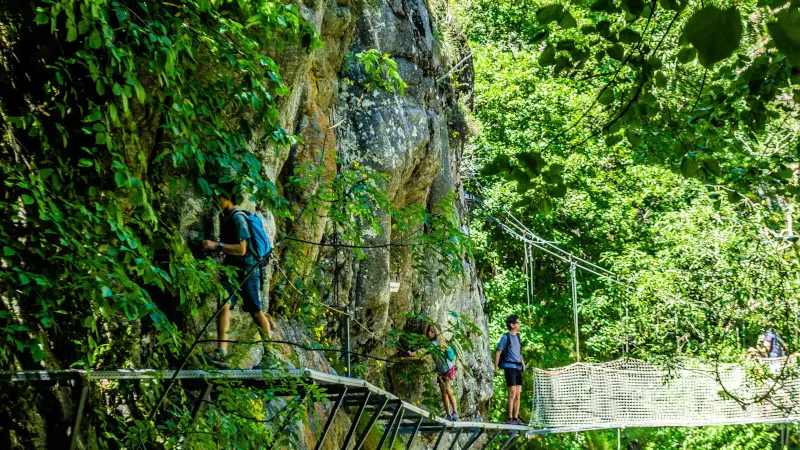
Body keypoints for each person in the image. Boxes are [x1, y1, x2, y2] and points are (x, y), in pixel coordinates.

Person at [201, 182, 271, 367]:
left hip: (248, 270)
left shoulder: (238, 218)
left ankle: (270, 355)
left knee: (255, 312)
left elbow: (242, 250)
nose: (217, 199)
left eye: (219, 196)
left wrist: (217, 245)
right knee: (223, 303)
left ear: (227, 197)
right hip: (232, 270)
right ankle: (221, 352)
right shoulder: (224, 218)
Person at [407, 324, 460, 421]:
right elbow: (424, 350)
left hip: (448, 370)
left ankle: (455, 412)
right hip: (441, 372)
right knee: (443, 393)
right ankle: (449, 415)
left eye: (432, 331)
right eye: (428, 330)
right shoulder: (432, 343)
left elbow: (424, 351)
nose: (429, 333)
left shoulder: (437, 343)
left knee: (448, 390)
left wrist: (412, 353)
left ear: (436, 333)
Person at [495, 314, 525, 425]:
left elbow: (519, 352)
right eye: (518, 322)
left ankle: (516, 419)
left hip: (518, 367)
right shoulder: (505, 337)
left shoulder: (518, 337)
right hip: (509, 367)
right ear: (512, 325)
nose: (519, 324)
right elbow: (498, 352)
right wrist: (495, 367)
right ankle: (510, 419)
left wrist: (522, 363)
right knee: (512, 393)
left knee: (518, 393)